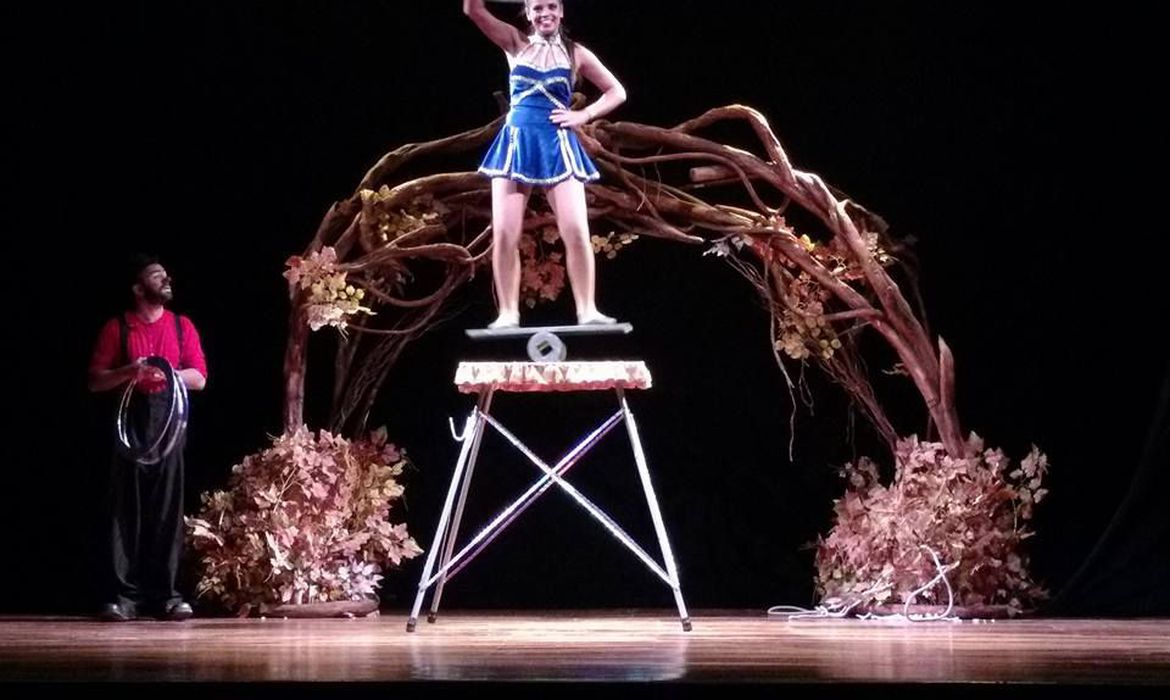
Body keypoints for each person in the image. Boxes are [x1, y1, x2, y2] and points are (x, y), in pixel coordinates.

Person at [464, 0, 627, 328]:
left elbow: (616, 91)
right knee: (506, 234)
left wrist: (583, 114)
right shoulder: (514, 43)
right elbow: (473, 10)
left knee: (577, 231)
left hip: (557, 145)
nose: (545, 13)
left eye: (551, 6)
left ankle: (587, 310)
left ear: (562, 10)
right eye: (537, 8)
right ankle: (508, 313)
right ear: (528, 13)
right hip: (516, 145)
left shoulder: (575, 53)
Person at [88, 254, 208, 621]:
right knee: (126, 513)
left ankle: (168, 596)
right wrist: (129, 371)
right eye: (157, 276)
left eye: (166, 274)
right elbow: (95, 381)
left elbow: (199, 378)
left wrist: (166, 372)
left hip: (169, 426)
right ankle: (125, 598)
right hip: (132, 425)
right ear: (139, 289)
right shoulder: (118, 327)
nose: (166, 279)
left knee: (167, 513)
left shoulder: (180, 326)